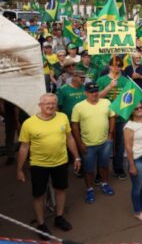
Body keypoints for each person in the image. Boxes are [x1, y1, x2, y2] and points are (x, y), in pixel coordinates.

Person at [17, 93, 81, 238]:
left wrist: (77, 157)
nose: (51, 106)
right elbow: (24, 147)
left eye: (53, 103)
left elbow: (69, 138)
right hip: (39, 165)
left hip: (60, 162)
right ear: (40, 105)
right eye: (47, 103)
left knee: (61, 189)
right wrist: (19, 169)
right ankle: (41, 224)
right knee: (39, 194)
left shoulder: (62, 117)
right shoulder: (29, 123)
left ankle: (59, 217)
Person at [71, 82, 116, 204]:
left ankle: (105, 184)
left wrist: (110, 134)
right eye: (91, 92)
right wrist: (79, 143)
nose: (94, 93)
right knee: (88, 169)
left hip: (105, 142)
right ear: (86, 93)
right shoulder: (78, 107)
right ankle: (90, 189)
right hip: (88, 144)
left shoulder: (106, 102)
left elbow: (112, 117)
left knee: (104, 165)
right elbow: (74, 125)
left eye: (96, 91)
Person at [97, 56, 130, 180]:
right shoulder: (101, 80)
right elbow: (97, 97)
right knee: (103, 145)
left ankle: (118, 168)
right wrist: (110, 87)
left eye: (120, 65)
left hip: (120, 118)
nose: (118, 68)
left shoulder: (125, 81)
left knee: (120, 145)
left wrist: (120, 111)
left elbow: (128, 99)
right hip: (104, 118)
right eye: (115, 65)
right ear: (110, 66)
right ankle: (100, 172)